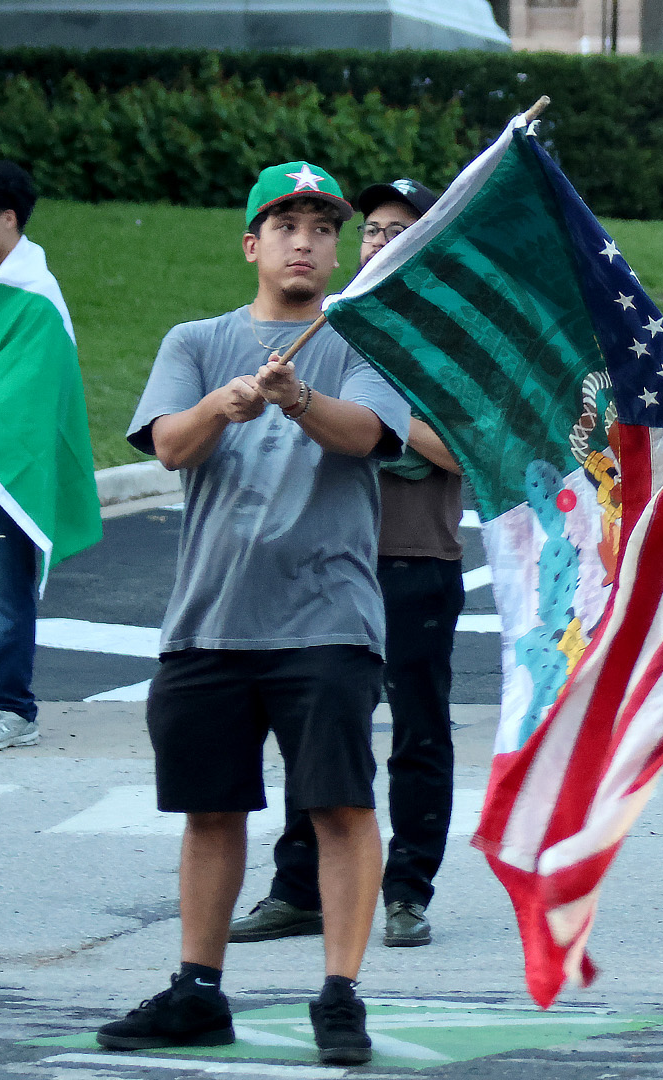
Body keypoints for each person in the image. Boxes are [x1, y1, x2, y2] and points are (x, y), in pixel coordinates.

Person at [98, 162, 410, 1066]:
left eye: (321, 225)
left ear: (338, 245)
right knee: (210, 811)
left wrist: (296, 398)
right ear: (252, 244)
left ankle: (340, 993)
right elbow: (167, 445)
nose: (305, 240)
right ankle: (198, 988)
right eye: (286, 224)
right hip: (209, 620)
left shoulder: (362, 340)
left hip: (328, 619)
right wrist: (222, 404)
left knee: (341, 806)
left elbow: (371, 439)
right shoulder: (196, 339)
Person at [228, 178, 464, 951]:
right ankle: (298, 888)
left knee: (418, 733)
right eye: (371, 230)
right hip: (328, 559)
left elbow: (459, 450)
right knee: (318, 729)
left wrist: (379, 424)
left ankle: (406, 891)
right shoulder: (328, 330)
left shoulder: (443, 338)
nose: (380, 242)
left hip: (414, 557)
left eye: (402, 230)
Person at [0, 159, 102, 751]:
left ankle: (12, 707)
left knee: (4, 587)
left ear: (8, 217)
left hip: (5, 473)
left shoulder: (37, 297)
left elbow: (22, 396)